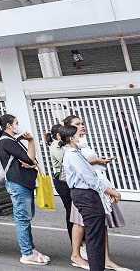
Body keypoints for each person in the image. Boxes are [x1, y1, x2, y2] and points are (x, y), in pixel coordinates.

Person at [64, 115, 129, 271]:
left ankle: (102, 261)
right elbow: (89, 177)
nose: (81, 127)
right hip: (87, 193)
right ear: (70, 134)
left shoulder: (79, 149)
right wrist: (110, 191)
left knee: (97, 232)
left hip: (93, 191)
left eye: (82, 124)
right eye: (77, 126)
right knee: (89, 231)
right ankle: (79, 257)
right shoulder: (73, 153)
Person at [0, 114, 49, 265]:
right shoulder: (6, 141)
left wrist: (30, 162)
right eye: (16, 123)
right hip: (18, 184)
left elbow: (29, 161)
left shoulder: (12, 141)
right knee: (22, 218)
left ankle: (30, 249)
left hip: (22, 183)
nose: (18, 125)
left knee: (25, 217)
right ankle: (27, 253)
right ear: (8, 126)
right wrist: (31, 141)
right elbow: (29, 158)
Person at [46, 124, 74, 245]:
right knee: (71, 211)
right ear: (58, 135)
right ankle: (75, 240)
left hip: (67, 179)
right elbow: (66, 159)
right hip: (62, 181)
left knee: (75, 210)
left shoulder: (61, 145)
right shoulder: (55, 146)